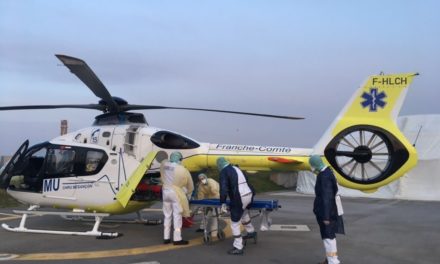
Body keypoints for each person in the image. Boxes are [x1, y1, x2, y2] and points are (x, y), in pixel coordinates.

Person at [309, 155, 345, 264]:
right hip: (329, 210)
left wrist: (326, 216)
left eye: (311, 165)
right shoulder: (329, 171)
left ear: (315, 164)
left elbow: (327, 197)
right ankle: (329, 259)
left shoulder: (324, 176)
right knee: (329, 236)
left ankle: (333, 261)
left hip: (326, 212)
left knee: (328, 237)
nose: (311, 167)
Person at [217, 157, 256, 255]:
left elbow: (223, 188)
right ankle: (251, 232)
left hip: (239, 197)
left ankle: (238, 247)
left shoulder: (224, 172)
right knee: (244, 214)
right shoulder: (237, 168)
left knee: (234, 223)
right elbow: (247, 180)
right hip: (249, 194)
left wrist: (223, 202)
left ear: (219, 165)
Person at [160, 151, 194, 245]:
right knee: (177, 215)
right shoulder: (183, 169)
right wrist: (187, 192)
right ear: (180, 159)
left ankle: (166, 238)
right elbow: (190, 186)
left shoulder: (164, 165)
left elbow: (163, 161)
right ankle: (177, 239)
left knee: (167, 215)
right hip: (175, 193)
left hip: (165, 191)